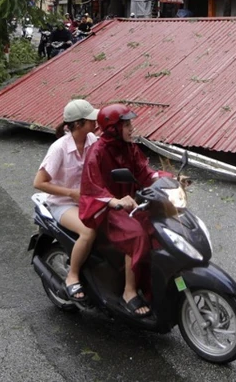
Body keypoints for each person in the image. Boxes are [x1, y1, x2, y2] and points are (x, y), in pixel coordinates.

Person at [79, 104, 172, 317]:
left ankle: (150, 284)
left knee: (157, 227)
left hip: (130, 205)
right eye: (127, 124)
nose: (132, 128)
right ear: (113, 128)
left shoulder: (129, 147)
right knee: (137, 235)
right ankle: (128, 292)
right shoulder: (97, 152)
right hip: (106, 209)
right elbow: (91, 188)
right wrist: (114, 201)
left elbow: (145, 173)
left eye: (131, 124)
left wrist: (169, 180)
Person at [33, 99, 100, 301]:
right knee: (88, 231)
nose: (95, 123)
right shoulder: (59, 148)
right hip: (63, 204)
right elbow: (39, 182)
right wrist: (71, 193)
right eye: (91, 120)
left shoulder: (92, 140)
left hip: (88, 200)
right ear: (78, 124)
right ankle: (73, 276)